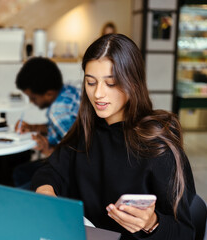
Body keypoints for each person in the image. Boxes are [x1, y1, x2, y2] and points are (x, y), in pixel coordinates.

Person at [32, 34, 196, 239]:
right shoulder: (87, 129)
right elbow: (51, 170)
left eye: (110, 83)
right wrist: (46, 191)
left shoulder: (157, 145)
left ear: (132, 83)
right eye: (91, 83)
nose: (98, 94)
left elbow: (185, 233)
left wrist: (151, 223)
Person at [13, 57, 80, 187]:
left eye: (33, 98)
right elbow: (66, 128)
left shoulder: (58, 113)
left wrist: (48, 149)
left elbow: (77, 156)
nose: (32, 102)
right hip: (71, 162)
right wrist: (33, 127)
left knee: (22, 180)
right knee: (21, 171)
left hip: (73, 174)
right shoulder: (68, 90)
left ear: (49, 94)